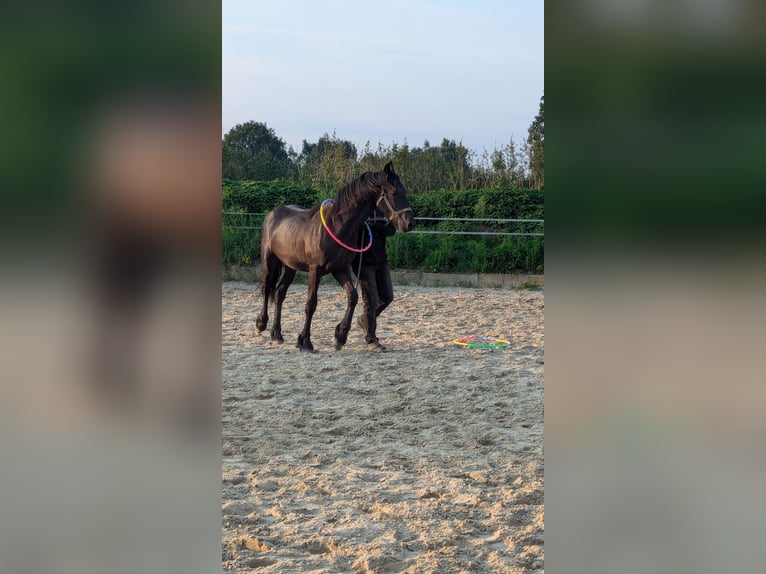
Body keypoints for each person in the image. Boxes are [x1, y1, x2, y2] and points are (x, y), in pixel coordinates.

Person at [352, 208, 396, 352]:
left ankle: (364, 319)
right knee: (370, 300)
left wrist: (378, 227)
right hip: (364, 262)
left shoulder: (381, 211)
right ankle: (371, 340)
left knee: (387, 297)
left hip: (381, 260)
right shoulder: (357, 211)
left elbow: (391, 230)